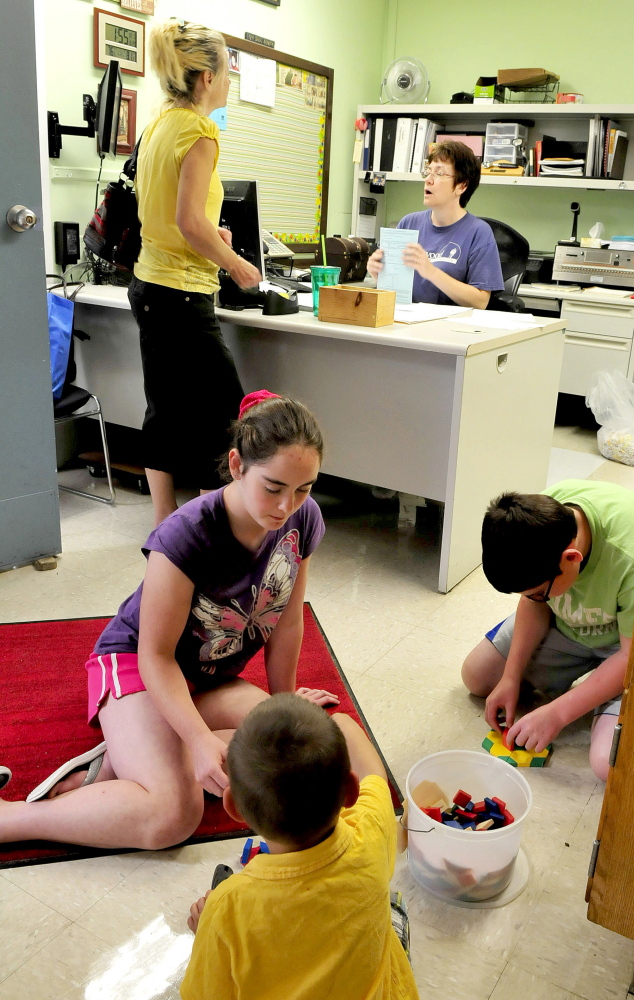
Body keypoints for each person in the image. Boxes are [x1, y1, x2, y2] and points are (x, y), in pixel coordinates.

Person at [0, 393, 339, 850]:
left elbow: (288, 622)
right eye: (274, 487)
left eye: (304, 488)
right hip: (136, 667)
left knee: (280, 751)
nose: (287, 506)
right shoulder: (186, 534)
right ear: (237, 465)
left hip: (205, 677)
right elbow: (154, 655)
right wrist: (197, 739)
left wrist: (285, 707)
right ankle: (15, 817)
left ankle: (130, 755)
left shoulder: (305, 519)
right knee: (174, 815)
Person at [181, 694, 419, 1000]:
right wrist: (336, 720)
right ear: (350, 790)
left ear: (233, 807)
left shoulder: (227, 907)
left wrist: (207, 929)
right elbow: (372, 767)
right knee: (390, 911)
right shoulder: (370, 829)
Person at [132, 20, 262, 524]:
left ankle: (165, 524)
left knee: (163, 409)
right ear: (207, 77)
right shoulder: (202, 131)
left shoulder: (159, 124)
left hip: (148, 285)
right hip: (182, 294)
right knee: (226, 414)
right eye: (228, 71)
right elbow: (188, 221)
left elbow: (167, 212)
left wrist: (214, 236)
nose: (230, 81)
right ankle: (214, 523)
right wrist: (233, 262)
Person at [461, 480, 634, 781]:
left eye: (539, 592)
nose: (535, 598)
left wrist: (559, 713)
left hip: (629, 646)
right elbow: (534, 604)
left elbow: (632, 656)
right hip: (569, 627)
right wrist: (510, 677)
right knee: (477, 676)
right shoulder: (540, 517)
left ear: (571, 558)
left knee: (607, 763)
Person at [366, 140, 504, 309]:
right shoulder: (408, 223)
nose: (428, 180)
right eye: (428, 171)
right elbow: (396, 291)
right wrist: (380, 275)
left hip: (452, 329)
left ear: (462, 185)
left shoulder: (479, 232)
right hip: (407, 322)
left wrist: (430, 272)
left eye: (439, 173)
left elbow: (480, 302)